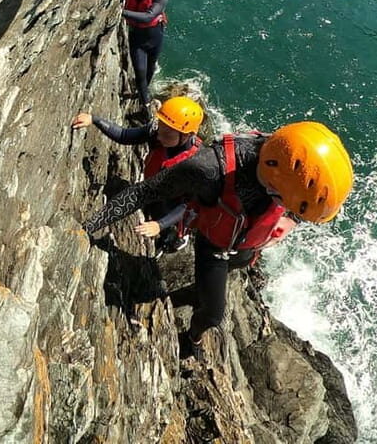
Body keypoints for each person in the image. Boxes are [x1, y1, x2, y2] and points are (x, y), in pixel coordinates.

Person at [83, 121, 354, 359]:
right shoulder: (209, 169)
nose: (288, 207)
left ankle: (180, 297)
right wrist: (89, 228)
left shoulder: (285, 152)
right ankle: (191, 338)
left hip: (247, 246)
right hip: (215, 244)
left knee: (208, 290)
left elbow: (300, 196)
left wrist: (292, 219)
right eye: (286, 202)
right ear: (275, 181)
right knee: (213, 313)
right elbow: (143, 192)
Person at [73, 96, 204, 255]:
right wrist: (94, 120)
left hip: (174, 202)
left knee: (166, 226)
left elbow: (187, 206)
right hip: (153, 186)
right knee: (151, 208)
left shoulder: (195, 165)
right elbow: (123, 135)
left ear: (187, 135)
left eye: (167, 133)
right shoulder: (157, 132)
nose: (160, 136)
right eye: (161, 127)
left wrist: (160, 224)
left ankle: (176, 238)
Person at [117, 0, 169, 115]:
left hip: (154, 36)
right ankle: (146, 107)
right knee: (140, 71)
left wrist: (121, 12)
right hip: (137, 37)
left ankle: (143, 93)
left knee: (150, 69)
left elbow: (149, 16)